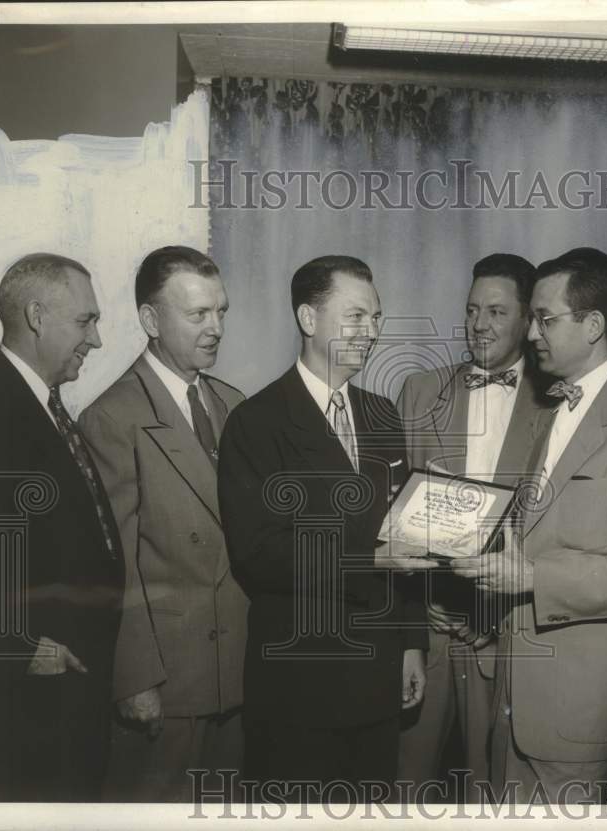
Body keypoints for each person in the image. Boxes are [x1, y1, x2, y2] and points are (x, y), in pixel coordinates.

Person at [451, 247, 607, 804]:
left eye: (545, 318)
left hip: (574, 712)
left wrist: (534, 579)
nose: (531, 333)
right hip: (512, 698)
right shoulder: (553, 409)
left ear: (593, 326)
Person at [217, 255, 429, 801]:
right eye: (356, 317)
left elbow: (404, 534)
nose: (372, 333)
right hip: (298, 688)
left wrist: (412, 646)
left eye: (377, 318)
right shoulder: (255, 422)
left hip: (379, 680)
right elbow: (258, 554)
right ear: (308, 320)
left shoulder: (383, 416)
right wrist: (369, 557)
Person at [0, 253, 124, 801]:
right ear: (38, 316)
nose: (97, 339)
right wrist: (15, 648)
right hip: (19, 721)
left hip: (67, 704)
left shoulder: (38, 406)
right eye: (85, 321)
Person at [78, 246, 248, 801]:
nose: (216, 327)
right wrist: (135, 679)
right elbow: (115, 563)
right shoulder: (112, 417)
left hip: (236, 673)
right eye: (198, 315)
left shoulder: (233, 404)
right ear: (151, 321)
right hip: (167, 682)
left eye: (220, 311)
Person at [396, 253, 548, 798]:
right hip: (426, 635)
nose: (479, 324)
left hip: (505, 635)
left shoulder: (558, 402)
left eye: (496, 311)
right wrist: (421, 603)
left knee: (495, 792)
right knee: (403, 785)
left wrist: (493, 604)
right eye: (471, 309)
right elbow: (398, 521)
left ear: (530, 320)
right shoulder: (417, 391)